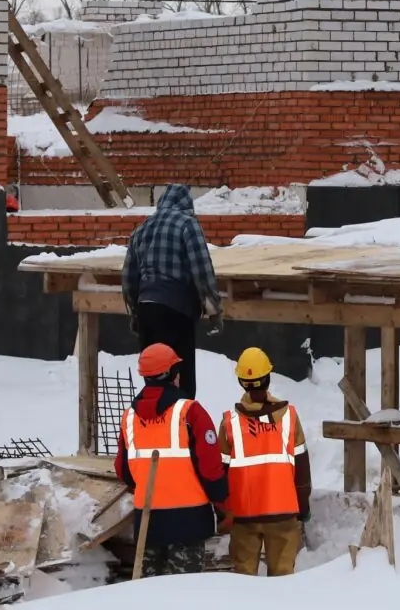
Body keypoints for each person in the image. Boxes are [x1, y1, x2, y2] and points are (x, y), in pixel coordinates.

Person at [115, 343, 229, 577]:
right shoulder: (190, 412)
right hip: (188, 523)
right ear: (171, 374)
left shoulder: (129, 417)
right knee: (184, 595)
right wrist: (221, 498)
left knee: (150, 596)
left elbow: (123, 472)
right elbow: (210, 468)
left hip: (149, 523)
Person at [122, 184, 222, 399]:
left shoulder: (142, 228)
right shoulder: (188, 224)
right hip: (177, 312)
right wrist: (213, 309)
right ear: (186, 203)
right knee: (182, 382)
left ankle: (154, 427)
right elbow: (202, 269)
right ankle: (182, 426)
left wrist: (135, 314)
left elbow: (129, 277)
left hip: (146, 309)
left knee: (154, 379)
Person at [217, 347, 312, 576]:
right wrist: (303, 507)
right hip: (284, 515)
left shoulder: (229, 423)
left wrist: (223, 513)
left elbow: (220, 474)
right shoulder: (289, 417)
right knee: (282, 582)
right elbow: (301, 468)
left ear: (242, 382)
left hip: (243, 517)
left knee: (244, 580)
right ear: (268, 378)